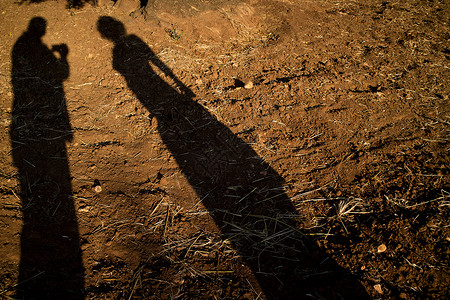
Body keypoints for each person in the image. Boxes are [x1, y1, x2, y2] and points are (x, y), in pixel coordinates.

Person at [97, 16, 368, 298]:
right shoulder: (129, 45)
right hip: (159, 98)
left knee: (190, 129)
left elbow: (151, 65)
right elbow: (158, 64)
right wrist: (177, 83)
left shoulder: (125, 48)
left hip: (154, 98)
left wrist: (176, 83)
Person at [11, 17, 84, 299]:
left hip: (27, 119)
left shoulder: (22, 47)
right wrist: (63, 57)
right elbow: (60, 75)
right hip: (40, 119)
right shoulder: (37, 49)